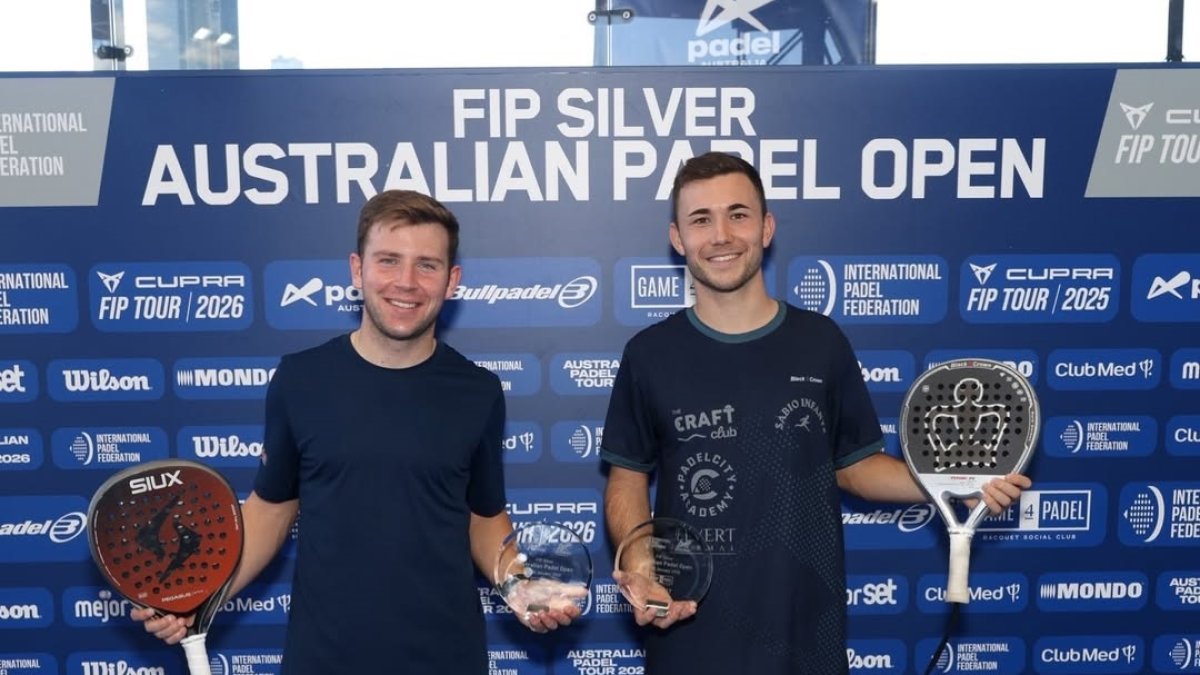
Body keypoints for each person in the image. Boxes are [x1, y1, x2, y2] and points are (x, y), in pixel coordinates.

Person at [600, 152, 1031, 674]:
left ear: (766, 228)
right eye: (700, 219)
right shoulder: (650, 354)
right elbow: (627, 478)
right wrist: (641, 565)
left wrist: (953, 482)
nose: (720, 235)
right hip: (690, 634)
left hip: (805, 636)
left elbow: (856, 467)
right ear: (677, 239)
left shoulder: (819, 342)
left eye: (738, 214)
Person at [133, 189, 580, 673]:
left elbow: (484, 517)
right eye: (388, 260)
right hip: (326, 656)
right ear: (356, 269)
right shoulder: (299, 381)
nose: (406, 282)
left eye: (427, 265)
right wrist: (203, 595)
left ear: (452, 281)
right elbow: (271, 510)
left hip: (445, 656)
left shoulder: (480, 391)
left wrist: (521, 588)